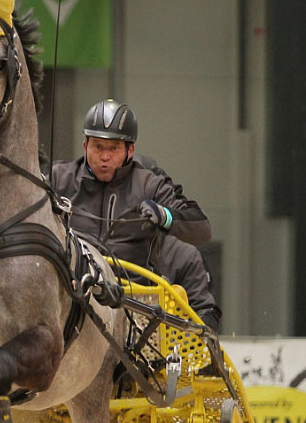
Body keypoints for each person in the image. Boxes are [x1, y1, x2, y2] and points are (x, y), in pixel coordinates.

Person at [51, 99, 221, 330]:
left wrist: (165, 216)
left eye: (113, 149)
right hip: (70, 298)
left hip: (132, 307)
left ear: (130, 150)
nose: (104, 156)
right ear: (85, 146)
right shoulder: (58, 178)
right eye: (97, 147)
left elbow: (203, 229)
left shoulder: (150, 184)